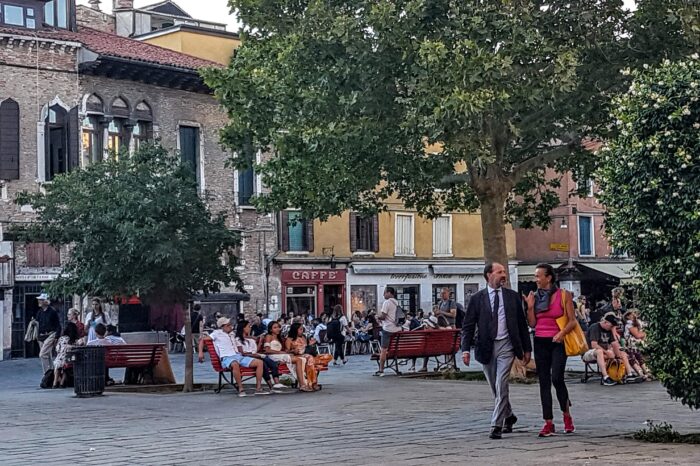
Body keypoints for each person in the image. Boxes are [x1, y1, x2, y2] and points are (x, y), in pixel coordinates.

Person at [461, 262, 532, 440]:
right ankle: (509, 415)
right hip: (486, 346)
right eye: (500, 272)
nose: (504, 275)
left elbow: (522, 325)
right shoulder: (477, 298)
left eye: (504, 272)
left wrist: (526, 349)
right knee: (495, 387)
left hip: (507, 345)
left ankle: (496, 425)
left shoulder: (513, 297)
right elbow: (468, 326)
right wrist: (465, 350)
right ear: (489, 275)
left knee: (502, 384)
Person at [524, 264, 577, 437]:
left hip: (558, 341)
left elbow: (572, 321)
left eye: (538, 276)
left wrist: (561, 334)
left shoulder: (564, 295)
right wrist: (530, 307)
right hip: (540, 340)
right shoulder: (534, 297)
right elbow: (532, 324)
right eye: (535, 276)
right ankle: (548, 422)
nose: (536, 280)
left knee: (557, 378)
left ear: (549, 278)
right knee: (544, 382)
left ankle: (567, 415)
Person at [198, 317, 269, 397]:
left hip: (238, 356)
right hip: (227, 357)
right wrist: (201, 353)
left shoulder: (232, 334)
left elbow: (242, 337)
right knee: (235, 364)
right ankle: (240, 388)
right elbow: (202, 340)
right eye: (228, 325)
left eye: (230, 324)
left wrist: (253, 338)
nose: (230, 326)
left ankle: (258, 388)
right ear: (223, 326)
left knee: (259, 362)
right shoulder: (216, 333)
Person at [582, 313, 642, 386]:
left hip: (604, 353)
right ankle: (605, 377)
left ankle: (629, 375)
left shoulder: (609, 329)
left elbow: (614, 343)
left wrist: (618, 355)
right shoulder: (595, 327)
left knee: (622, 352)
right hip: (590, 352)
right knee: (599, 351)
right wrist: (607, 353)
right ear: (605, 322)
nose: (611, 328)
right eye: (611, 326)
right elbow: (594, 345)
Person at [235, 320, 286, 391]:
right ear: (243, 328)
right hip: (247, 357)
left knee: (270, 362)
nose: (250, 328)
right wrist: (254, 355)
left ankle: (276, 383)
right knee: (263, 363)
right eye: (248, 327)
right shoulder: (238, 340)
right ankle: (271, 385)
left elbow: (256, 350)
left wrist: (260, 341)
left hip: (256, 355)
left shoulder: (250, 340)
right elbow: (242, 353)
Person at [263, 321, 314, 392]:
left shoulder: (279, 337)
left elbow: (286, 350)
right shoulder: (269, 336)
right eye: (275, 328)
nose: (277, 329)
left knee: (302, 359)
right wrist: (280, 352)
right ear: (270, 329)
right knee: (299, 360)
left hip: (281, 355)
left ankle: (304, 383)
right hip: (273, 356)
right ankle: (302, 384)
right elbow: (267, 350)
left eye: (278, 327)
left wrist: (292, 351)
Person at [374, 286, 402, 377]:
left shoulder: (387, 302)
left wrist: (377, 317)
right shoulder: (397, 303)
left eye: (385, 292)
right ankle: (395, 367)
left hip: (388, 329)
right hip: (397, 329)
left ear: (389, 293)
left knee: (383, 350)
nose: (383, 294)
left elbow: (383, 316)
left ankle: (381, 370)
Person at [285, 322, 321, 390]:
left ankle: (311, 382)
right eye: (300, 329)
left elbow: (307, 348)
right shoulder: (289, 339)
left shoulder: (304, 337)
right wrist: (293, 351)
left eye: (302, 329)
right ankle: (313, 383)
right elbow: (287, 351)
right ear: (295, 330)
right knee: (310, 359)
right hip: (297, 356)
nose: (302, 331)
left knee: (322, 358)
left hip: (306, 354)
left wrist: (311, 345)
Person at [36, 293, 61, 374]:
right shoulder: (40, 312)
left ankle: (46, 374)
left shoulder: (52, 312)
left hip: (51, 334)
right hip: (41, 336)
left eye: (41, 300)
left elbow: (58, 325)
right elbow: (38, 323)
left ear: (45, 301)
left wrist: (56, 337)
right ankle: (52, 374)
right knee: (47, 355)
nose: (39, 301)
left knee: (42, 354)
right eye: (39, 300)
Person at [52, 322, 80, 389]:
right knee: (66, 368)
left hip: (59, 358)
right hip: (69, 359)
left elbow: (57, 349)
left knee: (57, 367)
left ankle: (55, 383)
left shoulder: (62, 338)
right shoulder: (74, 339)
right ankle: (62, 383)